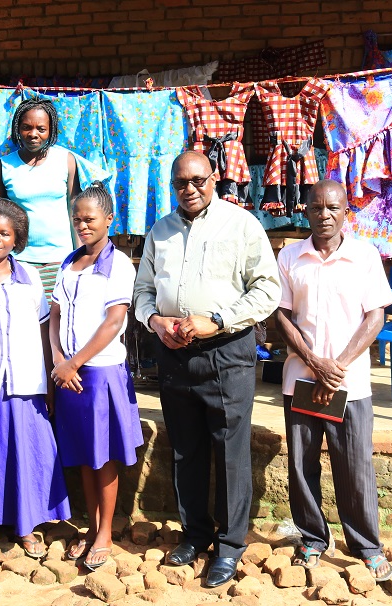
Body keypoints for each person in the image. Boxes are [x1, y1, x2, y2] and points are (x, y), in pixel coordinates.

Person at [132, 150, 280, 588]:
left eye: (199, 180)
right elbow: (142, 291)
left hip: (227, 351)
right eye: (181, 182)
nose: (190, 189)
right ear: (172, 185)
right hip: (174, 354)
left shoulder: (242, 225)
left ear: (214, 179)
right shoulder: (160, 231)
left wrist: (214, 320)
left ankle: (230, 546)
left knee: (229, 451)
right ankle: (194, 535)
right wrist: (155, 321)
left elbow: (267, 290)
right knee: (186, 448)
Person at [274, 179, 392, 581]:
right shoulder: (290, 256)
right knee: (301, 463)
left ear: (346, 213)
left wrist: (337, 365)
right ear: (305, 210)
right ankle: (312, 537)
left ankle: (366, 545)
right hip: (302, 380)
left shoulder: (364, 256)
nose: (324, 215)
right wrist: (312, 360)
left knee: (355, 465)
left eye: (333, 208)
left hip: (350, 383)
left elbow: (375, 316)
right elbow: (281, 316)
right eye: (316, 207)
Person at [0, 197, 71, 560]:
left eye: (5, 233)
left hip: (26, 383)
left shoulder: (29, 279)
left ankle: (26, 525)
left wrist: (49, 383)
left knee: (26, 456)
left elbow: (44, 333)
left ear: (17, 239)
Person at [50, 183, 143, 572]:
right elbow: (54, 314)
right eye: (77, 220)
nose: (83, 226)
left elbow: (114, 320)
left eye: (90, 219)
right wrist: (58, 360)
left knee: (103, 456)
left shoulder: (117, 263)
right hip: (68, 372)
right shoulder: (69, 262)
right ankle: (90, 526)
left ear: (109, 220)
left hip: (99, 372)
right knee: (84, 456)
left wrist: (75, 363)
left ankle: (104, 531)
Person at [0, 98, 108, 296]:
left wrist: (81, 254)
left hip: (61, 259)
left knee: (59, 322)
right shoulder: (4, 166)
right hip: (19, 260)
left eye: (41, 129)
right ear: (17, 129)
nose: (33, 134)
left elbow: (75, 210)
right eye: (27, 127)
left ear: (51, 131)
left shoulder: (66, 160)